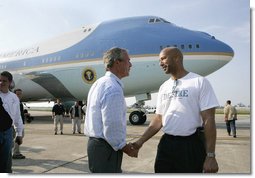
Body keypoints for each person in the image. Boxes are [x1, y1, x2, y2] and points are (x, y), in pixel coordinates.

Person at [132, 47, 219, 173]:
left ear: (177, 58)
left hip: (190, 146)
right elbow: (158, 119)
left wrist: (210, 155)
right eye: (159, 60)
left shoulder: (199, 82)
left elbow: (209, 119)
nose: (160, 63)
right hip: (166, 145)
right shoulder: (164, 87)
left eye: (163, 59)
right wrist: (140, 141)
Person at [84, 47, 136, 173]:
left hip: (96, 146)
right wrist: (125, 147)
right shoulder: (113, 88)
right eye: (128, 61)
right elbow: (111, 126)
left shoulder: (100, 83)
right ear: (117, 62)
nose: (130, 64)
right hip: (106, 148)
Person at [0, 71, 23, 173]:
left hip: (9, 131)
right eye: (0, 80)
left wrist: (19, 133)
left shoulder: (14, 98)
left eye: (4, 81)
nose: (1, 83)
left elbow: (18, 117)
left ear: (10, 82)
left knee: (6, 159)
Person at [12, 89, 26, 159]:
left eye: (20, 94)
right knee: (18, 137)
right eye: (18, 94)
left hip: (20, 123)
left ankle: (15, 152)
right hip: (16, 125)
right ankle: (15, 153)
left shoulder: (19, 102)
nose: (19, 95)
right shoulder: (14, 102)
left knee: (18, 137)